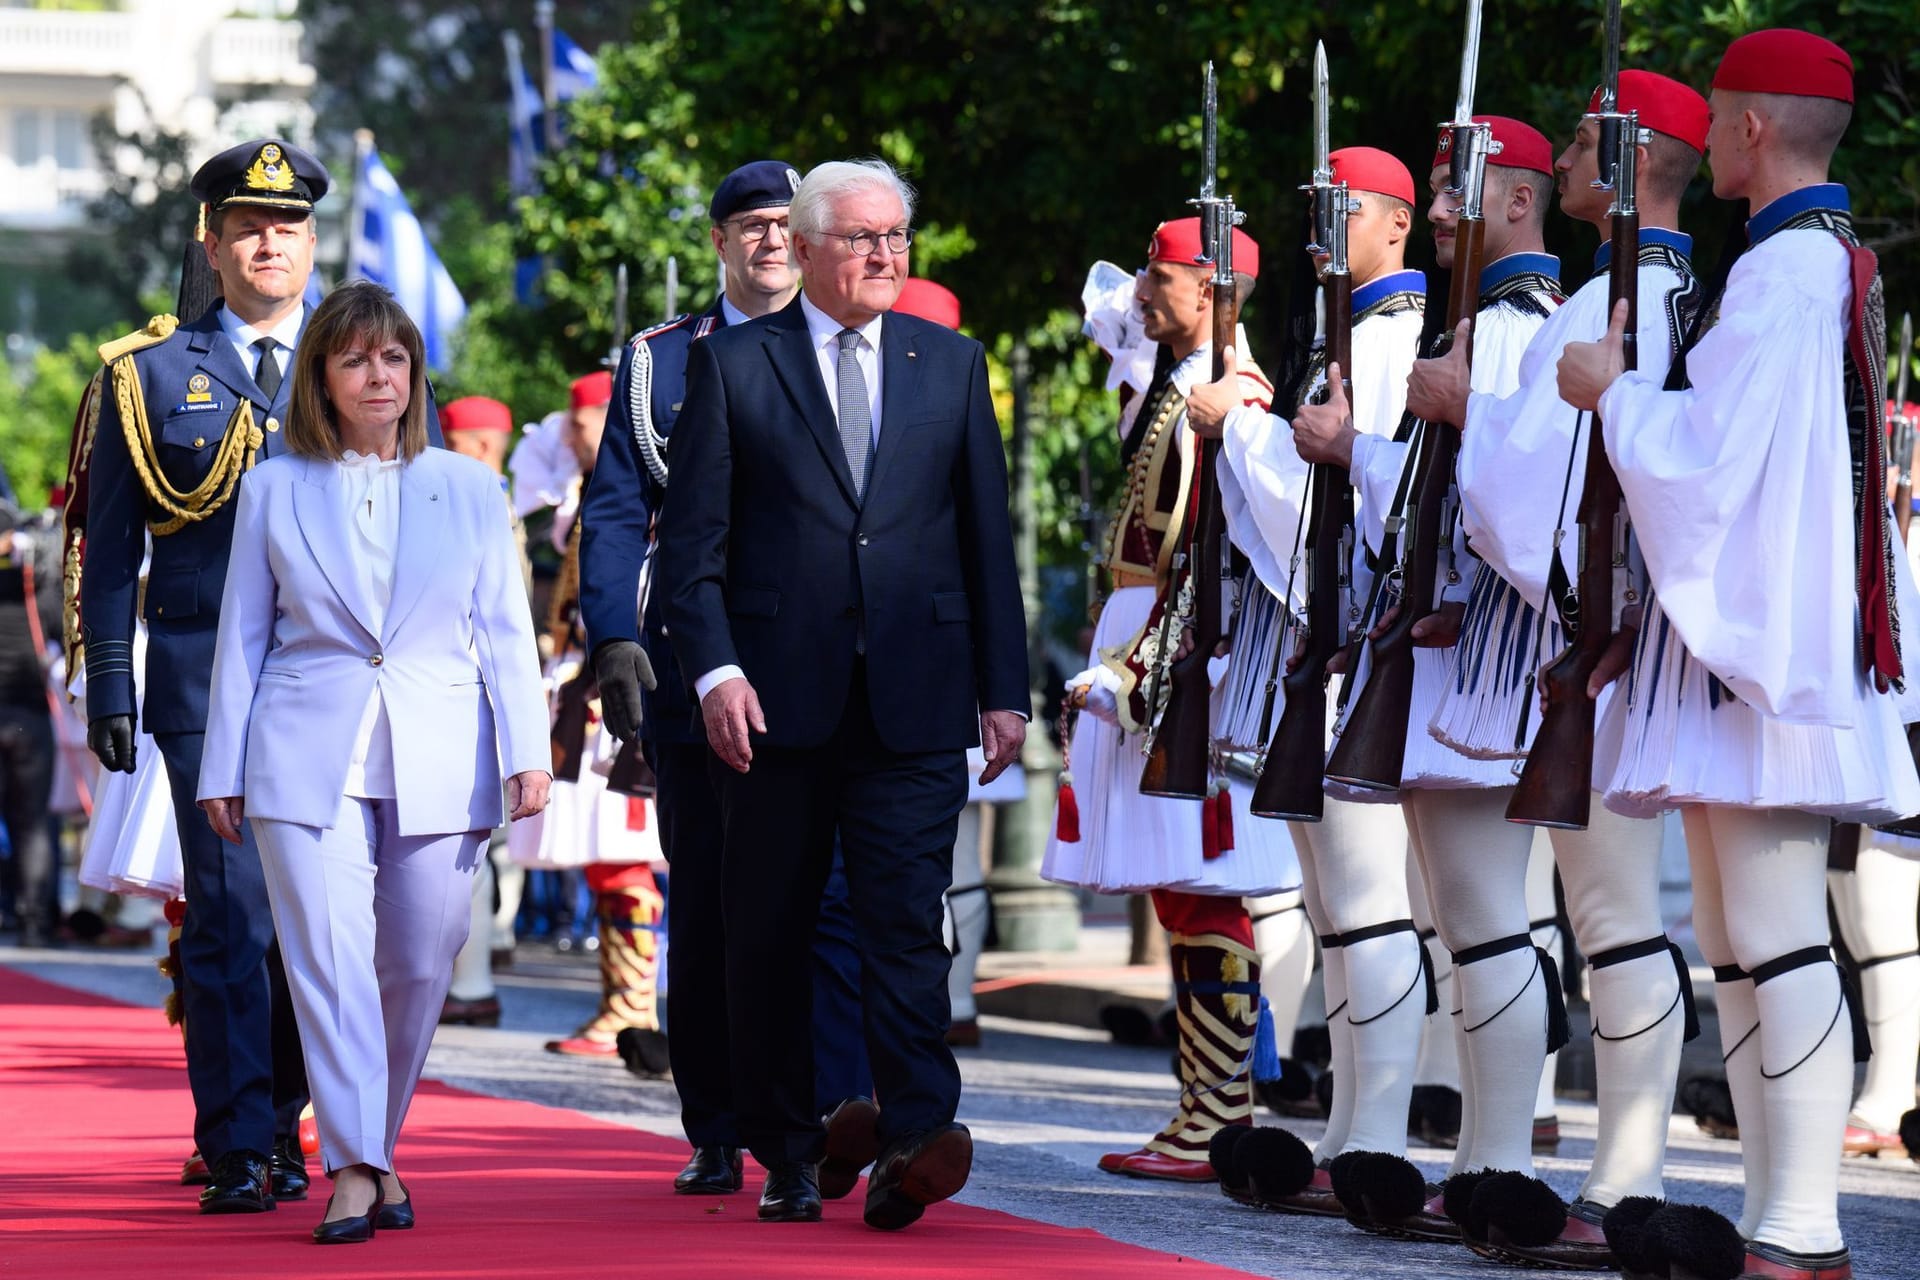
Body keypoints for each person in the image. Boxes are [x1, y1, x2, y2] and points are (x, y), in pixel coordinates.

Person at [1557, 29, 1920, 1280]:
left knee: (1775, 938)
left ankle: (1805, 1227)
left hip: (1765, 659)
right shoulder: (1800, 266)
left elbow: (1704, 460)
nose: (1704, 137)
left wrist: (1609, 389)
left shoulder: (1786, 275)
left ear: (1756, 128)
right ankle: (1778, 1218)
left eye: (1716, 118)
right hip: (1749, 651)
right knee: (1740, 939)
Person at [659, 158, 1028, 1228]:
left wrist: (1003, 688)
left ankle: (916, 1129)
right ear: (809, 249)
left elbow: (983, 540)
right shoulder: (732, 366)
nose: (884, 255)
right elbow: (695, 550)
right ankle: (785, 1140)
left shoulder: (950, 365)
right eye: (862, 238)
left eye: (898, 237)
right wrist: (716, 671)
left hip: (916, 694)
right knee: (765, 925)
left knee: (906, 919)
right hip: (775, 703)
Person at [197, 280, 550, 1244]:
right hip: (301, 751)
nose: (378, 374)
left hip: (442, 747)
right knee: (327, 962)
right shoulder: (273, 485)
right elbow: (242, 637)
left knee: (418, 962)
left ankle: (376, 1149)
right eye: (355, 358)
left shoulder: (474, 487)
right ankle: (353, 1168)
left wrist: (528, 751)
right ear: (323, 376)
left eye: (393, 357)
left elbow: (506, 631)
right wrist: (220, 766)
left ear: (414, 373)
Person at [584, 159, 876, 1192]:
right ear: (719, 242)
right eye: (748, 225)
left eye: (782, 225)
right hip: (693, 657)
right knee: (710, 897)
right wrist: (612, 633)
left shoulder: (851, 348)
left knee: (828, 897)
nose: (766, 241)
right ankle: (715, 1114)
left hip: (818, 658)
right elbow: (619, 504)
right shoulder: (659, 361)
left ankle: (833, 1110)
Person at [79, 139, 358, 1213]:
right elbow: (110, 547)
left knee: (321, 923)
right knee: (233, 920)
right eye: (245, 225)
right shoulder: (147, 375)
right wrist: (113, 682)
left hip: (334, 681)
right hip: (201, 680)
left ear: (312, 242)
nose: (266, 242)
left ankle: (293, 1115)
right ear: (212, 241)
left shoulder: (365, 359)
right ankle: (242, 1139)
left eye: (285, 226)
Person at [1187, 146, 1432, 1211]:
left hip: (1362, 649)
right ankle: (1344, 1128)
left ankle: (1376, 1130)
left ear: (1397, 226)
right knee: (1338, 907)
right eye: (1314, 211)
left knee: (1370, 906)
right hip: (1326, 649)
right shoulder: (1350, 338)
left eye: (1344, 211)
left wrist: (1237, 424)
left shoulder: (1390, 341)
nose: (1320, 231)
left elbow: (1339, 508)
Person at [1041, 216, 1302, 1183]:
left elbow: (1219, 553)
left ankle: (1220, 1113)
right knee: (1178, 889)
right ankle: (1205, 1108)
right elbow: (1108, 314)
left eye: (1163, 276)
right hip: (1153, 639)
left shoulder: (1231, 398)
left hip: (1193, 653)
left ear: (1213, 287)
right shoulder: (1173, 381)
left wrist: (1151, 661)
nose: (1140, 293)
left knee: (1202, 890)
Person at [438, 395, 519, 1029]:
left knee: (466, 845)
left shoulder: (484, 496)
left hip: (472, 683)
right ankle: (466, 977)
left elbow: (499, 614)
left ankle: (471, 980)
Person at [0, 502, 63, 946]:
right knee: (34, 823)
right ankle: (36, 922)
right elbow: (67, 632)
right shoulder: (37, 590)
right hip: (31, 720)